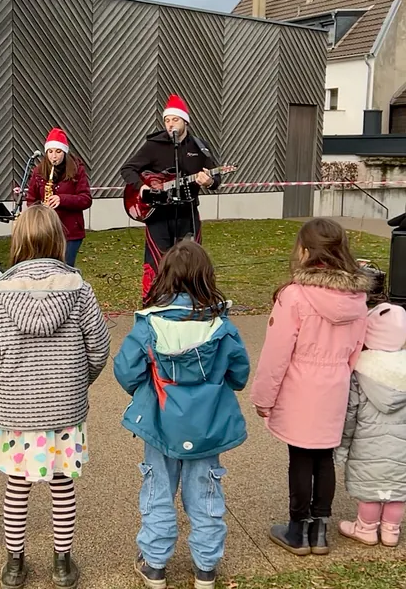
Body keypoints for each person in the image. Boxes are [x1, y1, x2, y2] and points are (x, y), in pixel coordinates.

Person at [0, 204, 110, 589]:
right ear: (58, 240)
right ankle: (62, 565)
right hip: (64, 410)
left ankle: (14, 564)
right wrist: (78, 383)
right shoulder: (79, 291)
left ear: (18, 242)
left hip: (17, 409)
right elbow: (99, 349)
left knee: (17, 487)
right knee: (62, 485)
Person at [114, 240, 250, 589]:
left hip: (160, 423)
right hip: (208, 426)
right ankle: (206, 567)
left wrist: (143, 390)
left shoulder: (149, 324)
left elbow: (126, 370)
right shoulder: (222, 327)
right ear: (206, 279)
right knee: (206, 493)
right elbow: (240, 374)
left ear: (165, 279)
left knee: (158, 489)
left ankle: (155, 563)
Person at [250, 218, 370, 557]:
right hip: (334, 384)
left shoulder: (295, 296)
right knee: (324, 458)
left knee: (300, 457)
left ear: (305, 251)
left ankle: (297, 528)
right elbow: (356, 348)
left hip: (301, 385)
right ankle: (320, 530)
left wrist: (264, 398)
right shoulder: (356, 297)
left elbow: (276, 354)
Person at [120, 95, 221, 303]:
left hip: (188, 212)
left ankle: (192, 301)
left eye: (175, 120)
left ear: (185, 121)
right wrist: (142, 187)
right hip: (158, 215)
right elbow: (127, 169)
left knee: (190, 258)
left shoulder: (199, 147)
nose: (170, 124)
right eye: (167, 120)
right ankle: (154, 302)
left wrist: (208, 181)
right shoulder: (154, 145)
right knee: (158, 261)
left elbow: (215, 176)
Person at [336, 303, 406, 547]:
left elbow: (351, 412)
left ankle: (365, 529)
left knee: (370, 490)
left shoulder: (361, 370)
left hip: (367, 445)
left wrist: (342, 446)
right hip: (402, 448)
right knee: (397, 491)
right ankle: (391, 531)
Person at [26, 128, 92, 267]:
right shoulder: (38, 171)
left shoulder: (76, 169)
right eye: (50, 152)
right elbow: (31, 200)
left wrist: (62, 199)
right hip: (45, 230)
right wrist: (40, 207)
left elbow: (86, 199)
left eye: (58, 151)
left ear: (65, 152)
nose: (54, 157)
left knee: (65, 269)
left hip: (70, 231)